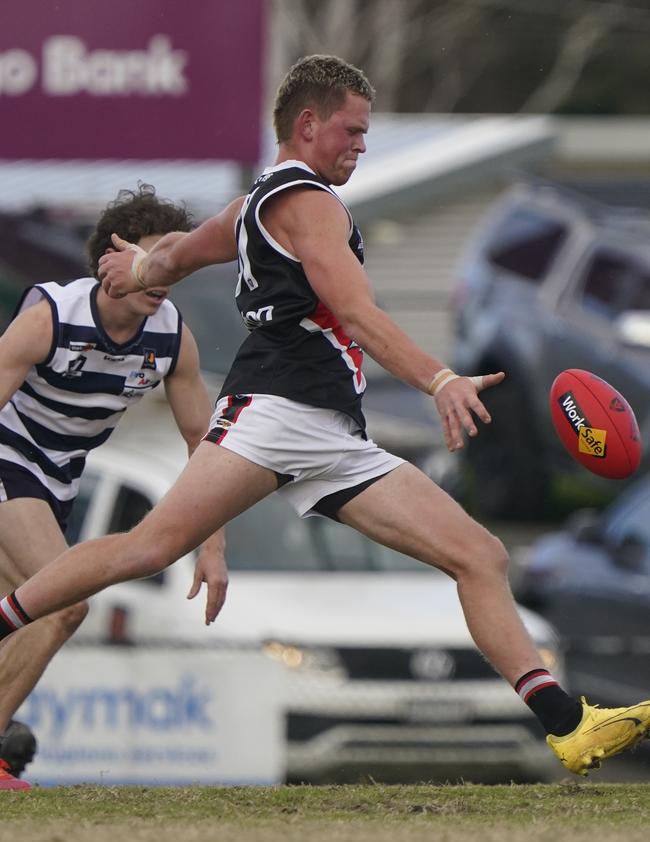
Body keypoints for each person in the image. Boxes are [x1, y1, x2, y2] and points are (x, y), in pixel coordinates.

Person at [1, 55, 649, 783]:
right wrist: (436, 378)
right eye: (352, 129)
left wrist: (138, 272)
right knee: (149, 547)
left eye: (367, 133)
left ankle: (569, 725)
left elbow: (181, 254)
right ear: (307, 125)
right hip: (276, 409)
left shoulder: (251, 206)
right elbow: (358, 312)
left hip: (333, 430)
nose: (361, 145)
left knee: (480, 555)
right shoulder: (307, 201)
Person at [0, 184, 227, 790]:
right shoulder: (51, 315)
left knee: (22, 619)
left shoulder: (172, 336)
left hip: (60, 480)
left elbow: (207, 450)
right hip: (9, 459)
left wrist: (213, 545)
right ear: (111, 258)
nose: (165, 274)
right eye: (154, 258)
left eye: (173, 261)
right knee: (62, 604)